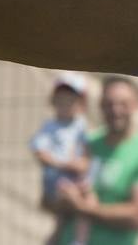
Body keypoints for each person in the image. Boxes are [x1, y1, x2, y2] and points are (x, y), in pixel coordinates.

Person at [52, 76, 138, 245]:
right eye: (109, 104)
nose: (115, 110)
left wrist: (82, 207)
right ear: (100, 105)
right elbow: (53, 203)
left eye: (123, 104)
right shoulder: (87, 144)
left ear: (137, 104)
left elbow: (137, 216)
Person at [30, 72, 92, 245]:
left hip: (74, 179)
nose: (65, 105)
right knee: (72, 207)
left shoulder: (81, 125)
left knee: (80, 207)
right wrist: (63, 164)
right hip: (56, 181)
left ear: (81, 104)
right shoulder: (49, 126)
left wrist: (81, 165)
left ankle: (77, 239)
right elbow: (39, 152)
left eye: (70, 100)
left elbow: (87, 155)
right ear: (53, 101)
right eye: (61, 100)